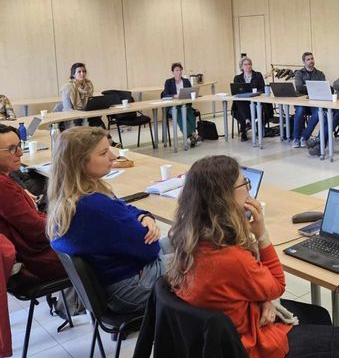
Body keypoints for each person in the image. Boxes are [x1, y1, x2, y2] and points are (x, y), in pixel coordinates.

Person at [167, 155, 339, 358]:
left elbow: (247, 285)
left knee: (319, 314)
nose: (249, 189)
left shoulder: (189, 239)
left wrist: (264, 299)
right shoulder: (230, 258)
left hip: (218, 333)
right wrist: (262, 234)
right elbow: (277, 284)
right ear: (225, 197)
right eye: (244, 183)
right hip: (246, 346)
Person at [47, 126, 172, 314]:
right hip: (130, 286)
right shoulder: (94, 206)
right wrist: (143, 226)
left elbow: (124, 207)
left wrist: (142, 216)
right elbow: (149, 249)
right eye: (104, 153)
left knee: (185, 239)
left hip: (116, 278)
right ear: (80, 161)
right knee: (205, 259)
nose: (113, 156)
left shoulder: (74, 196)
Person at [0, 124, 65, 281]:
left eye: (19, 146)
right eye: (12, 149)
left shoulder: (5, 180)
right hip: (35, 259)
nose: (20, 153)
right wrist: (67, 225)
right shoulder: (3, 186)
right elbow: (35, 229)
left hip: (29, 252)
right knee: (100, 247)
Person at [292, 52, 327, 148]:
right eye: (308, 59)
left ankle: (304, 137)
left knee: (318, 113)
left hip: (314, 102)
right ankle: (296, 138)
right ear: (304, 62)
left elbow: (323, 87)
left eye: (312, 58)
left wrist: (307, 86)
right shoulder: (299, 73)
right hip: (302, 102)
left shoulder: (320, 74)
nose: (311, 61)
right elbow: (299, 87)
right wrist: (313, 87)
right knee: (299, 111)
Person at [162, 62, 201, 147]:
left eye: (180, 70)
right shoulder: (168, 82)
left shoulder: (186, 81)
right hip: (173, 107)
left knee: (191, 114)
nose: (179, 72)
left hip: (185, 105)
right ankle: (194, 134)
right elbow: (165, 94)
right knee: (178, 113)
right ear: (173, 72)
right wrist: (174, 96)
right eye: (176, 70)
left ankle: (191, 137)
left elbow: (190, 92)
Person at [232, 57, 270, 142]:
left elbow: (262, 89)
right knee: (240, 104)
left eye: (249, 64)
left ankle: (245, 128)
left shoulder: (258, 75)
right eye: (245, 64)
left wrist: (255, 92)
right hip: (243, 100)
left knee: (242, 108)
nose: (248, 66)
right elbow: (236, 91)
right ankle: (247, 121)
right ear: (241, 67)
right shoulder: (237, 78)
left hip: (256, 99)